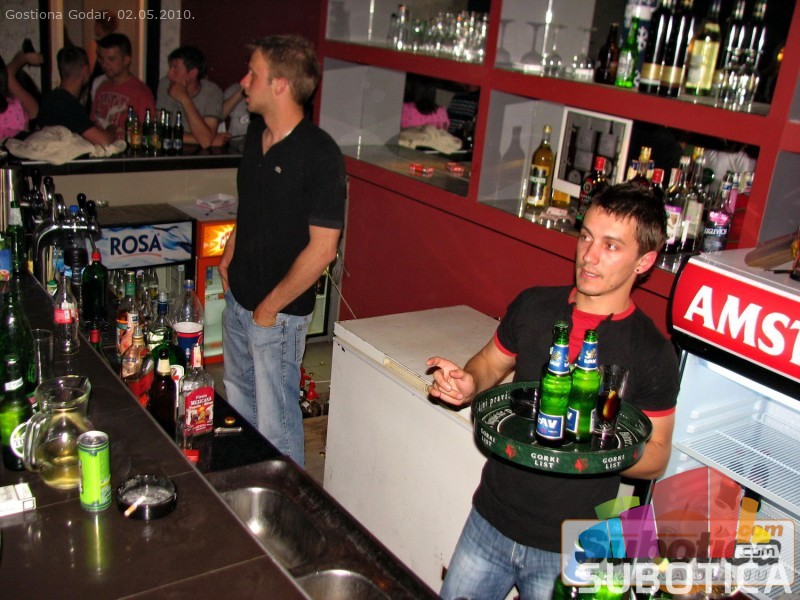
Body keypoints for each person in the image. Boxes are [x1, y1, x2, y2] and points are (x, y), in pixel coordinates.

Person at [428, 182, 680, 600]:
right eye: (586, 237)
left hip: (572, 544)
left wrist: (587, 442)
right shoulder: (534, 305)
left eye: (611, 246)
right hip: (492, 518)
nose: (589, 256)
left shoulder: (652, 351)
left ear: (645, 260)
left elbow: (656, 457)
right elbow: (490, 363)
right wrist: (468, 383)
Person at [218, 35, 346, 467]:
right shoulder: (256, 132)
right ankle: (252, 490)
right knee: (241, 413)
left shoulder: (320, 154)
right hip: (239, 299)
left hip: (278, 315)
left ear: (280, 85)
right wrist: (231, 248)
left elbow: (323, 250)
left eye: (253, 73)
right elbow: (253, 202)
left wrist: (268, 310)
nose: (243, 81)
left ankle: (287, 501)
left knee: (278, 427)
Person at [38, 46, 115, 145]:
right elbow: (103, 140)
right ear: (85, 70)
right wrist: (112, 128)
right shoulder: (69, 105)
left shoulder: (51, 97)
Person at [156, 46, 226, 148]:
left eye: (175, 68)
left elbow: (205, 140)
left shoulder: (212, 92)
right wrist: (207, 140)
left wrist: (184, 99)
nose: (169, 73)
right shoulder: (165, 84)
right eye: (170, 67)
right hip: (170, 149)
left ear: (193, 72)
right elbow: (161, 132)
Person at [91, 33, 155, 141]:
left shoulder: (141, 92)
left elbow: (148, 132)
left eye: (111, 59)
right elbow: (93, 121)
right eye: (102, 59)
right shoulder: (102, 87)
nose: (104, 64)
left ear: (126, 60)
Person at [0, 51, 42, 139]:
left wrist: (22, 58)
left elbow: (9, 75)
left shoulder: (16, 109)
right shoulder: (16, 109)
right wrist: (23, 58)